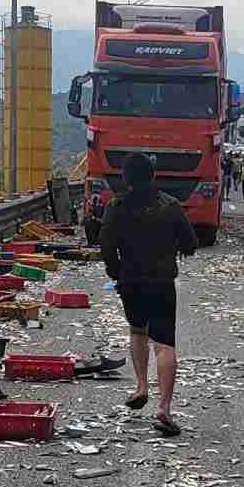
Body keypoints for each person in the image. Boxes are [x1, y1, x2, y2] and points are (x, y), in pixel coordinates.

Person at [100, 152, 198, 437]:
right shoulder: (170, 206)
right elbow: (191, 243)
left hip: (130, 281)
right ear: (153, 175)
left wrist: (116, 272)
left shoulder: (116, 206)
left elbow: (106, 244)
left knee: (137, 331)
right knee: (164, 343)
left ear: (125, 178)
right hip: (162, 282)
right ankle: (164, 408)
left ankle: (141, 386)